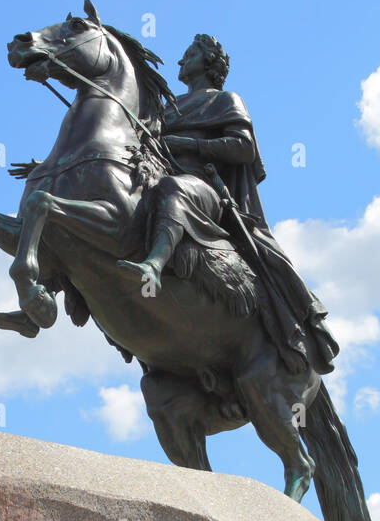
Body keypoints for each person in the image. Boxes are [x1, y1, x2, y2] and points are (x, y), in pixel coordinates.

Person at [117, 34, 339, 376]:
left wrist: (189, 144)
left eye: (188, 55)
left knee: (174, 189)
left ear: (208, 63)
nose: (179, 62)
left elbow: (244, 147)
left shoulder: (225, 100)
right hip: (158, 182)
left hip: (204, 190)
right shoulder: (166, 107)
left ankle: (154, 265)